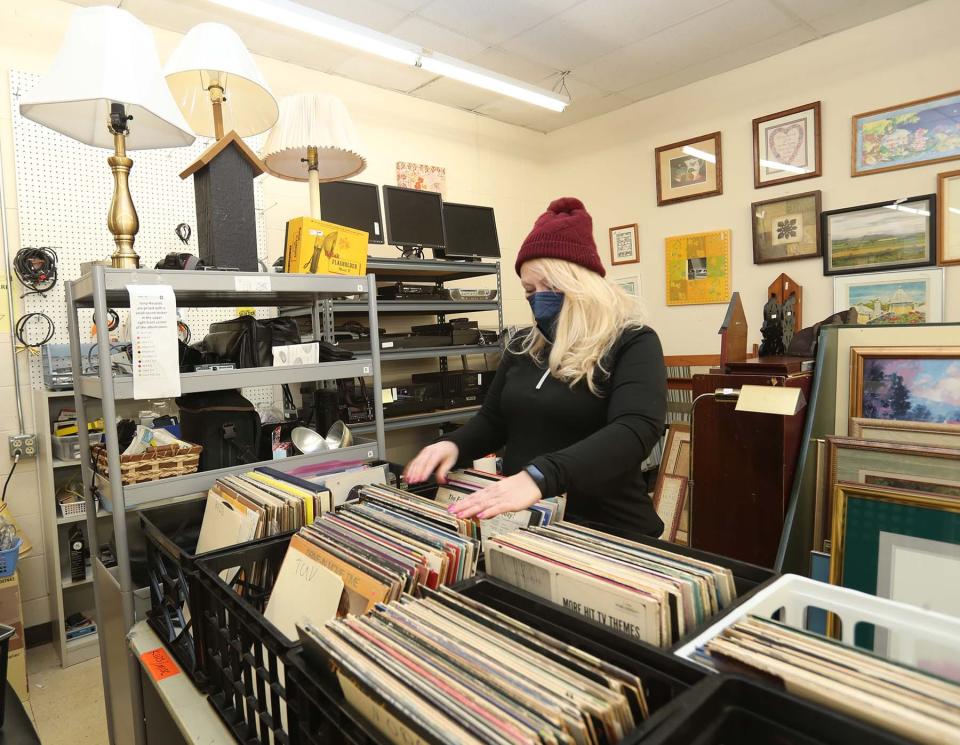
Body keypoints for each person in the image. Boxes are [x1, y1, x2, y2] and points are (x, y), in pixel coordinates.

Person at [404, 197, 667, 538]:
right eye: (530, 290)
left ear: (582, 286)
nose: (538, 298)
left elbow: (634, 431)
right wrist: (453, 445)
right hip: (532, 526)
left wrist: (540, 476)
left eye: (551, 287)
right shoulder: (524, 345)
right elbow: (493, 421)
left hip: (607, 530)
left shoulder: (633, 341)